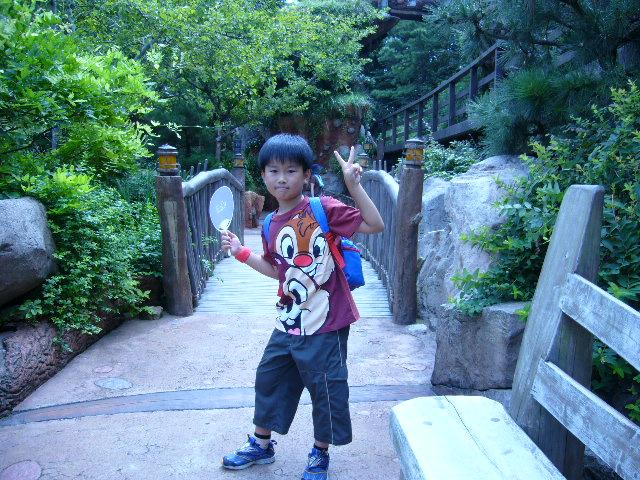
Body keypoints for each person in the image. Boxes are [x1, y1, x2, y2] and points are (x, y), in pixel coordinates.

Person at [220, 133, 384, 480]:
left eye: (291, 171)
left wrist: (355, 186)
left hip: (327, 320)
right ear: (263, 176)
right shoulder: (269, 223)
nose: (282, 179)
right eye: (274, 171)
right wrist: (241, 253)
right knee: (270, 377)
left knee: (325, 388)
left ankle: (320, 452)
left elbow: (375, 224)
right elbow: (277, 270)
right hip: (289, 319)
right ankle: (261, 445)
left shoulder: (323, 208)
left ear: (306, 175)